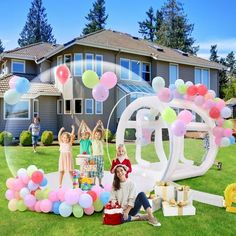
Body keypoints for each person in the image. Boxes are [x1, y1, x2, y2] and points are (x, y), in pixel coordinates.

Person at [90, 120, 105, 188]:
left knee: (100, 170)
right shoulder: (93, 140)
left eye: (99, 135)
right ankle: (93, 183)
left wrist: (101, 126)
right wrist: (97, 125)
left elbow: (104, 133)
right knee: (93, 170)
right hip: (94, 157)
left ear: (101, 136)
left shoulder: (101, 141)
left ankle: (100, 183)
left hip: (100, 157)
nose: (97, 135)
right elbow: (93, 132)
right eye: (96, 134)